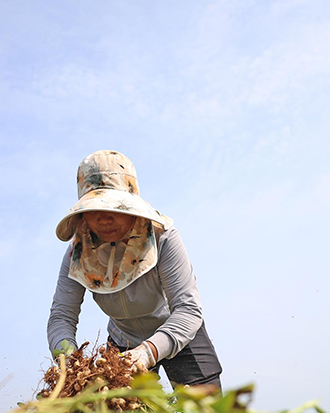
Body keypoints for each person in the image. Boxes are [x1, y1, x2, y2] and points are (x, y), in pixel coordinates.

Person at [47, 150, 222, 392]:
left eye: (114, 209)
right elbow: (62, 317)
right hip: (123, 342)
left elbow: (188, 309)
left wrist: (148, 352)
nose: (105, 220)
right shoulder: (78, 254)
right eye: (95, 210)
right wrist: (70, 362)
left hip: (179, 330)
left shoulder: (162, 237)